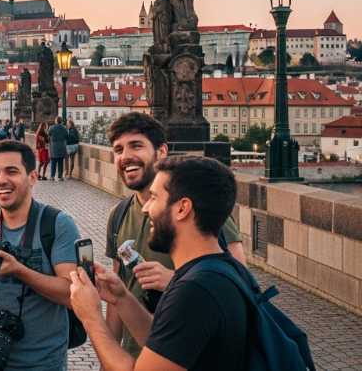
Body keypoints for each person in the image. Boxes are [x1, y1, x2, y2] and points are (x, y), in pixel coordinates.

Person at [70, 155, 247, 371]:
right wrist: (121, 298)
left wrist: (91, 317)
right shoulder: (218, 270)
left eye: (154, 198)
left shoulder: (195, 291)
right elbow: (166, 346)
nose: (145, 209)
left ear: (182, 208)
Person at [103, 112, 246, 358]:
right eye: (118, 149)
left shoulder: (198, 209)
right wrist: (110, 355)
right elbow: (118, 291)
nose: (126, 156)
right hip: (136, 353)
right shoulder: (118, 215)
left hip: (190, 353)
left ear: (161, 151)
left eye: (136, 146)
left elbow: (240, 286)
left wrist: (175, 282)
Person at [0, 140, 81, 371]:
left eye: (11, 172)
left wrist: (18, 269)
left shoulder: (57, 224)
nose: (2, 180)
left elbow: (72, 296)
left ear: (32, 177)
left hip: (42, 363)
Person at [47, 116, 68, 181]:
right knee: (60, 162)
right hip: (62, 146)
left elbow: (48, 135)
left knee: (53, 162)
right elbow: (67, 136)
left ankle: (52, 176)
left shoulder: (51, 128)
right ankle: (60, 176)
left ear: (55, 121)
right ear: (61, 121)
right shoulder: (64, 128)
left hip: (54, 146)